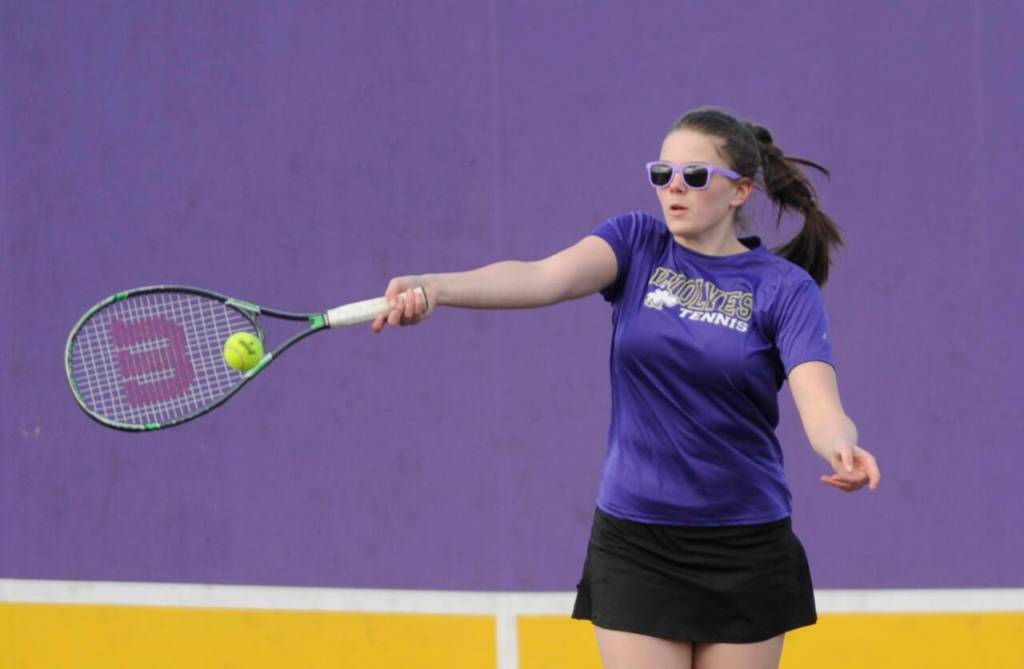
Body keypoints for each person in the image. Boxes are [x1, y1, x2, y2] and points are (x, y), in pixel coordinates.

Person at [371, 106, 881, 669]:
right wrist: (436, 288)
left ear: (739, 191)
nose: (674, 189)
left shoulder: (785, 289)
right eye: (662, 174)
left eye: (694, 176)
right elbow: (541, 277)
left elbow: (821, 405)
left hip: (746, 546)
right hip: (637, 542)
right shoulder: (637, 243)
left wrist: (841, 444)